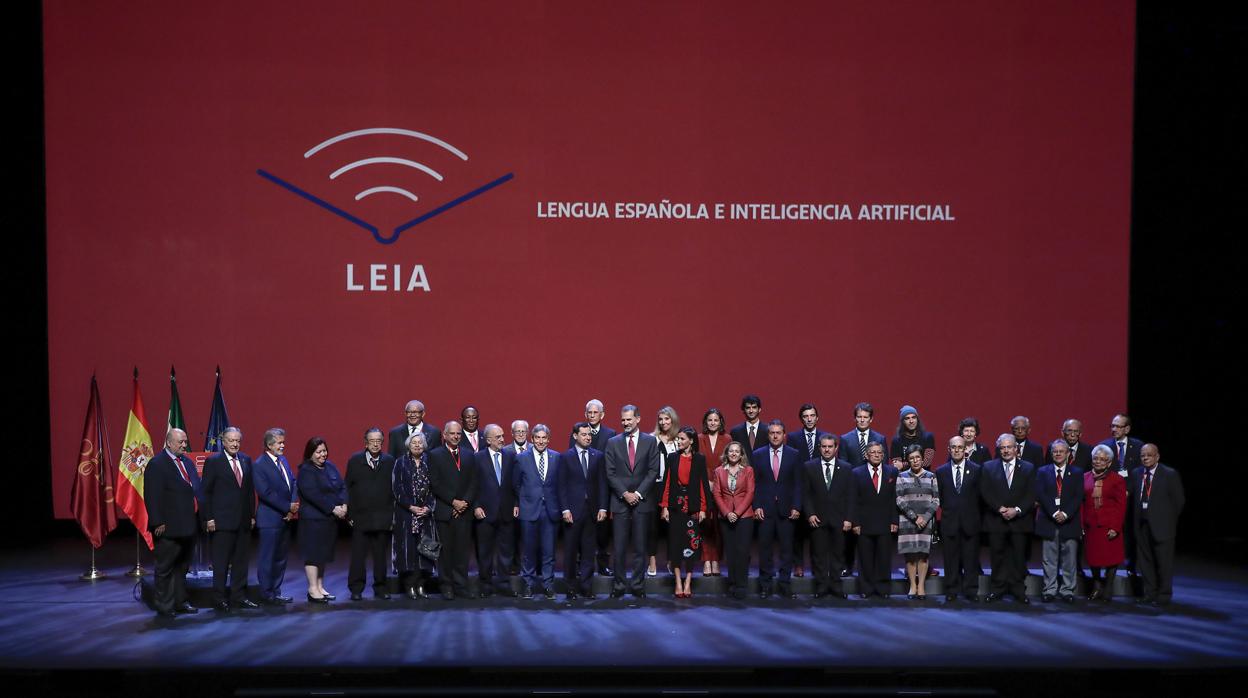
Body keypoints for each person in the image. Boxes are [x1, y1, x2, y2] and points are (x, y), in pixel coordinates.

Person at [604, 404, 661, 598]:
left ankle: (637, 586)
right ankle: (619, 586)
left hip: (642, 501)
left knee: (640, 547)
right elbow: (610, 473)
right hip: (620, 502)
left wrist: (637, 493)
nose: (625, 423)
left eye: (629, 419)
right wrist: (625, 494)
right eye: (623, 420)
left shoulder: (651, 441)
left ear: (638, 419)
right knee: (619, 548)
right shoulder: (612, 442)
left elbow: (653, 470)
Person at [200, 426, 257, 611]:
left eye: (237, 441)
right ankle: (219, 599)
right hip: (221, 521)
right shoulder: (214, 461)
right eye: (231, 440)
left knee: (241, 562)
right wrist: (208, 518)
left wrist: (251, 515)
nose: (235, 444)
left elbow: (249, 491)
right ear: (223, 442)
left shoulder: (246, 460)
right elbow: (205, 493)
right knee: (221, 563)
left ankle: (239, 597)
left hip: (243, 521)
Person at [145, 428, 201, 617]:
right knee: (165, 568)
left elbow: (194, 489)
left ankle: (180, 602)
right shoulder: (157, 464)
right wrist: (157, 521)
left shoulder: (187, 462)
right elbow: (152, 496)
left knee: (182, 567)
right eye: (180, 442)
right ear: (169, 442)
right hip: (167, 527)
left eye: (185, 441)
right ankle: (165, 606)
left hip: (188, 526)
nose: (184, 445)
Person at [750, 420, 804, 599]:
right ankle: (765, 585)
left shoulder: (794, 454)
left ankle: (784, 584)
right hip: (764, 509)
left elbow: (798, 483)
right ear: (768, 435)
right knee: (765, 549)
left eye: (778, 433)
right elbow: (754, 483)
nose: (775, 436)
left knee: (786, 550)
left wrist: (797, 506)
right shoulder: (757, 455)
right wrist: (756, 505)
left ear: (784, 435)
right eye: (772, 433)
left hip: (787, 510)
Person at [981, 434, 1036, 604]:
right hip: (996, 520)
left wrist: (1017, 510)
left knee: (1018, 557)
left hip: (1020, 521)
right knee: (997, 557)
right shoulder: (988, 467)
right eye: (1002, 447)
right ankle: (997, 589)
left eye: (1009, 447)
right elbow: (985, 491)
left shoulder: (1028, 468)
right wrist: (999, 508)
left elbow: (1031, 493)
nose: (1005, 450)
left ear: (1015, 449)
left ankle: (1018, 590)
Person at [427, 421, 479, 600]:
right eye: (453, 433)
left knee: (462, 551)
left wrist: (464, 502)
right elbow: (435, 483)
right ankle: (446, 585)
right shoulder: (434, 455)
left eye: (458, 433)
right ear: (445, 435)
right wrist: (453, 502)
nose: (456, 436)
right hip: (445, 511)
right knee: (446, 552)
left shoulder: (469, 454)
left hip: (464, 511)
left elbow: (474, 481)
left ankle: (461, 585)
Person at [1128, 443, 1185, 605]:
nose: (1145, 458)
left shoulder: (1169, 474)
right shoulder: (1136, 473)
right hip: (1141, 525)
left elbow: (1178, 501)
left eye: (1149, 455)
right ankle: (1150, 593)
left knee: (1163, 563)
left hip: (1163, 527)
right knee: (1146, 562)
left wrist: (1167, 521)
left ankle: (1164, 595)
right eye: (1143, 455)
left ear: (1157, 456)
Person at [344, 427, 395, 601]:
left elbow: (394, 490)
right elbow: (348, 488)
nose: (375, 444)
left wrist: (392, 515)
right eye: (372, 441)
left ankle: (380, 588)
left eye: (378, 441)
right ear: (365, 443)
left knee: (380, 557)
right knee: (358, 556)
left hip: (382, 517)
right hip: (360, 517)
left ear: (382, 442)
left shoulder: (389, 461)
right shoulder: (355, 460)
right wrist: (349, 514)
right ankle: (356, 589)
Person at [559, 422, 608, 599]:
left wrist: (603, 507)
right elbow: (561, 485)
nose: (588, 437)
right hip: (572, 511)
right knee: (571, 551)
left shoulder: (598, 456)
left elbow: (603, 483)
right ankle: (570, 587)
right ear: (575, 436)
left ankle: (586, 587)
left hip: (592, 511)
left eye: (589, 434)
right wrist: (564, 509)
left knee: (589, 551)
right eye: (584, 434)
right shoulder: (566, 457)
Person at [296, 437, 347, 603]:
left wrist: (344, 504)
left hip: (328, 520)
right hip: (313, 520)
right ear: (310, 453)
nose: (322, 455)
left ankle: (320, 586)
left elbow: (342, 486)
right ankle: (312, 588)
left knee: (323, 554)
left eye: (324, 451)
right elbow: (313, 495)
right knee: (313, 554)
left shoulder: (330, 467)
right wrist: (333, 508)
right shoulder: (305, 470)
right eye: (318, 452)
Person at [513, 424, 562, 599]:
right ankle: (528, 584)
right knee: (528, 550)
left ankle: (548, 584)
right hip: (529, 510)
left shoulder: (557, 457)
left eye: (544, 438)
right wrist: (518, 504)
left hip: (550, 510)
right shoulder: (521, 458)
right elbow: (515, 484)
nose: (541, 441)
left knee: (549, 552)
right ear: (532, 439)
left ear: (548, 439)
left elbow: (560, 485)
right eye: (537, 438)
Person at [660, 427, 709, 598]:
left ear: (691, 440)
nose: (679, 441)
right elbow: (667, 482)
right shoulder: (672, 457)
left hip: (692, 506)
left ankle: (688, 582)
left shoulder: (699, 459)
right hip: (675, 506)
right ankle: (678, 583)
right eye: (678, 439)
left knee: (691, 544)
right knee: (675, 544)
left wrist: (703, 508)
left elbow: (703, 484)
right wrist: (664, 506)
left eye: (682, 439)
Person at [802, 434, 852, 599]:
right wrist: (810, 514)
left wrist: (848, 518)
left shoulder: (845, 467)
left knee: (838, 554)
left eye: (830, 447)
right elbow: (806, 494)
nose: (827, 449)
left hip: (839, 519)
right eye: (824, 446)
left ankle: (836, 586)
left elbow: (849, 496)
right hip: (818, 518)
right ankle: (821, 586)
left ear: (836, 448)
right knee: (819, 554)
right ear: (819, 448)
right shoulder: (809, 467)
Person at [253, 427, 298, 605]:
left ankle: (276, 591)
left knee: (280, 558)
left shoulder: (283, 460)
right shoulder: (259, 465)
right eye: (280, 443)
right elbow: (265, 493)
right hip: (270, 520)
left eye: (283, 442)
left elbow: (293, 482)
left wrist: (293, 505)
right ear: (269, 445)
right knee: (268, 558)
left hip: (285, 518)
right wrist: (287, 507)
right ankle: (266, 593)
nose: (283, 446)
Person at [1035, 440, 1084, 603]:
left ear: (1068, 454)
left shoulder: (1077, 472)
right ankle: (1049, 589)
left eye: (1061, 451)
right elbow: (1041, 494)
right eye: (1055, 451)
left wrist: (1066, 513)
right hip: (1049, 520)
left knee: (1069, 559)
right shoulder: (1042, 471)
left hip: (1069, 521)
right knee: (1049, 558)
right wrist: (1054, 512)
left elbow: (1078, 496)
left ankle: (1067, 590)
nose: (1057, 454)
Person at [934, 436, 982, 602]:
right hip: (949, 522)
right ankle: (951, 590)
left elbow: (980, 497)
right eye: (953, 447)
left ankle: (970, 590)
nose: (956, 450)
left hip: (971, 523)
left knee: (970, 559)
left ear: (965, 450)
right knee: (950, 559)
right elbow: (938, 497)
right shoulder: (941, 471)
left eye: (960, 447)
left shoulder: (976, 470)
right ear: (949, 449)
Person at [572, 399, 617, 575]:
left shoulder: (610, 433)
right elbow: (572, 458)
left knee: (602, 530)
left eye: (595, 413)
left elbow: (612, 461)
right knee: (581, 528)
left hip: (602, 488)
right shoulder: (577, 432)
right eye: (589, 413)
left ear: (602, 415)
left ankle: (603, 564)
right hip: (582, 489)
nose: (592, 416)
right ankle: (582, 564)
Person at [849, 442, 898, 599]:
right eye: (873, 452)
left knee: (884, 558)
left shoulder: (892, 472)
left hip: (885, 523)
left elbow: (894, 499)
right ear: (866, 455)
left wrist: (894, 521)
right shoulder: (856, 473)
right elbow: (853, 500)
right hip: (864, 524)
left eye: (879, 452)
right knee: (865, 558)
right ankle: (866, 588)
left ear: (883, 455)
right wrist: (855, 522)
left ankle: (883, 588)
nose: (877, 455)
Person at [473, 423, 517, 597]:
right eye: (498, 437)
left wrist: (516, 503)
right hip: (485, 512)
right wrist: (475, 506)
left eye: (502, 436)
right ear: (488, 439)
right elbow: (473, 484)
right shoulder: (477, 458)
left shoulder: (511, 456)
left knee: (506, 551)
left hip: (506, 511)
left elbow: (515, 483)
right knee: (485, 551)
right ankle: (485, 585)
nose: (502, 439)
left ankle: (504, 584)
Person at [787, 403, 828, 578]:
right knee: (798, 532)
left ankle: (818, 565)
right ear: (801, 419)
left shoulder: (824, 437)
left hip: (819, 490)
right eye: (806, 416)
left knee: (818, 532)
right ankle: (798, 565)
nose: (809, 419)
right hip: (799, 487)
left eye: (812, 416)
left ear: (817, 418)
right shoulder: (794, 437)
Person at [393, 432, 435, 599]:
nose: (417, 445)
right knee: (408, 552)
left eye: (420, 443)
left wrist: (428, 507)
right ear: (408, 446)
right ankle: (409, 585)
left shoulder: (430, 462)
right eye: (414, 443)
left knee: (426, 552)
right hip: (407, 515)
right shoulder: (400, 462)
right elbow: (397, 489)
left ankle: (421, 585)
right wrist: (411, 507)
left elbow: (435, 487)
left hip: (426, 516)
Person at [1082, 444, 1126, 602]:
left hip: (1109, 526)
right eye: (1096, 458)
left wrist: (1116, 526)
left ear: (1109, 462)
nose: (1098, 461)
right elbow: (1082, 502)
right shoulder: (1085, 477)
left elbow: (1121, 505)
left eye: (1102, 459)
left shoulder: (1117, 479)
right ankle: (1097, 585)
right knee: (1093, 558)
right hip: (1091, 526)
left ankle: (1108, 587)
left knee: (1111, 558)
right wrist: (1081, 524)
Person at [896, 444, 940, 600]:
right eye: (911, 458)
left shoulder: (931, 476)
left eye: (918, 458)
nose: (915, 461)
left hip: (925, 522)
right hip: (908, 521)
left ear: (922, 459)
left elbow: (936, 499)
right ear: (908, 460)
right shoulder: (901, 476)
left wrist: (925, 517)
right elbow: (899, 499)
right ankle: (912, 586)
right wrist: (914, 517)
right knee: (909, 555)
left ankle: (921, 586)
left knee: (922, 555)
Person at [713, 441, 755, 600]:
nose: (734, 454)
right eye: (731, 451)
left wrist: (736, 513)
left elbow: (750, 493)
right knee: (730, 552)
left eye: (737, 451)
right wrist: (726, 512)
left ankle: (741, 585)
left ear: (741, 454)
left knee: (742, 552)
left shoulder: (748, 471)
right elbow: (717, 494)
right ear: (727, 453)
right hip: (725, 517)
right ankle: (732, 583)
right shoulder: (718, 471)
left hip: (744, 516)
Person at [648, 405, 681, 576]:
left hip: (675, 487)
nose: (663, 422)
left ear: (673, 420)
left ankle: (671, 561)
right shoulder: (652, 439)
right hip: (655, 486)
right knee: (652, 526)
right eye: (660, 419)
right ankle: (652, 561)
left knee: (672, 527)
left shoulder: (679, 440)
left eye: (666, 419)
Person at [697, 408, 729, 577]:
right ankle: (706, 561)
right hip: (703, 486)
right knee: (705, 524)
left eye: (716, 420)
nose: (713, 423)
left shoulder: (728, 438)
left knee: (718, 525)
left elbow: (729, 461)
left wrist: (716, 481)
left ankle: (716, 560)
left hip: (722, 486)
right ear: (705, 422)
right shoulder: (699, 438)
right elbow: (698, 461)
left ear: (720, 422)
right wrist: (707, 481)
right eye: (710, 420)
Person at [889, 405, 936, 470]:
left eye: (913, 417)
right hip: (904, 478)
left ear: (917, 419)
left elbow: (927, 462)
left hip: (924, 477)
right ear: (903, 421)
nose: (911, 421)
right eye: (907, 418)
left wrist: (903, 464)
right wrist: (903, 465)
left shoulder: (928, 437)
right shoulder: (896, 440)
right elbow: (897, 465)